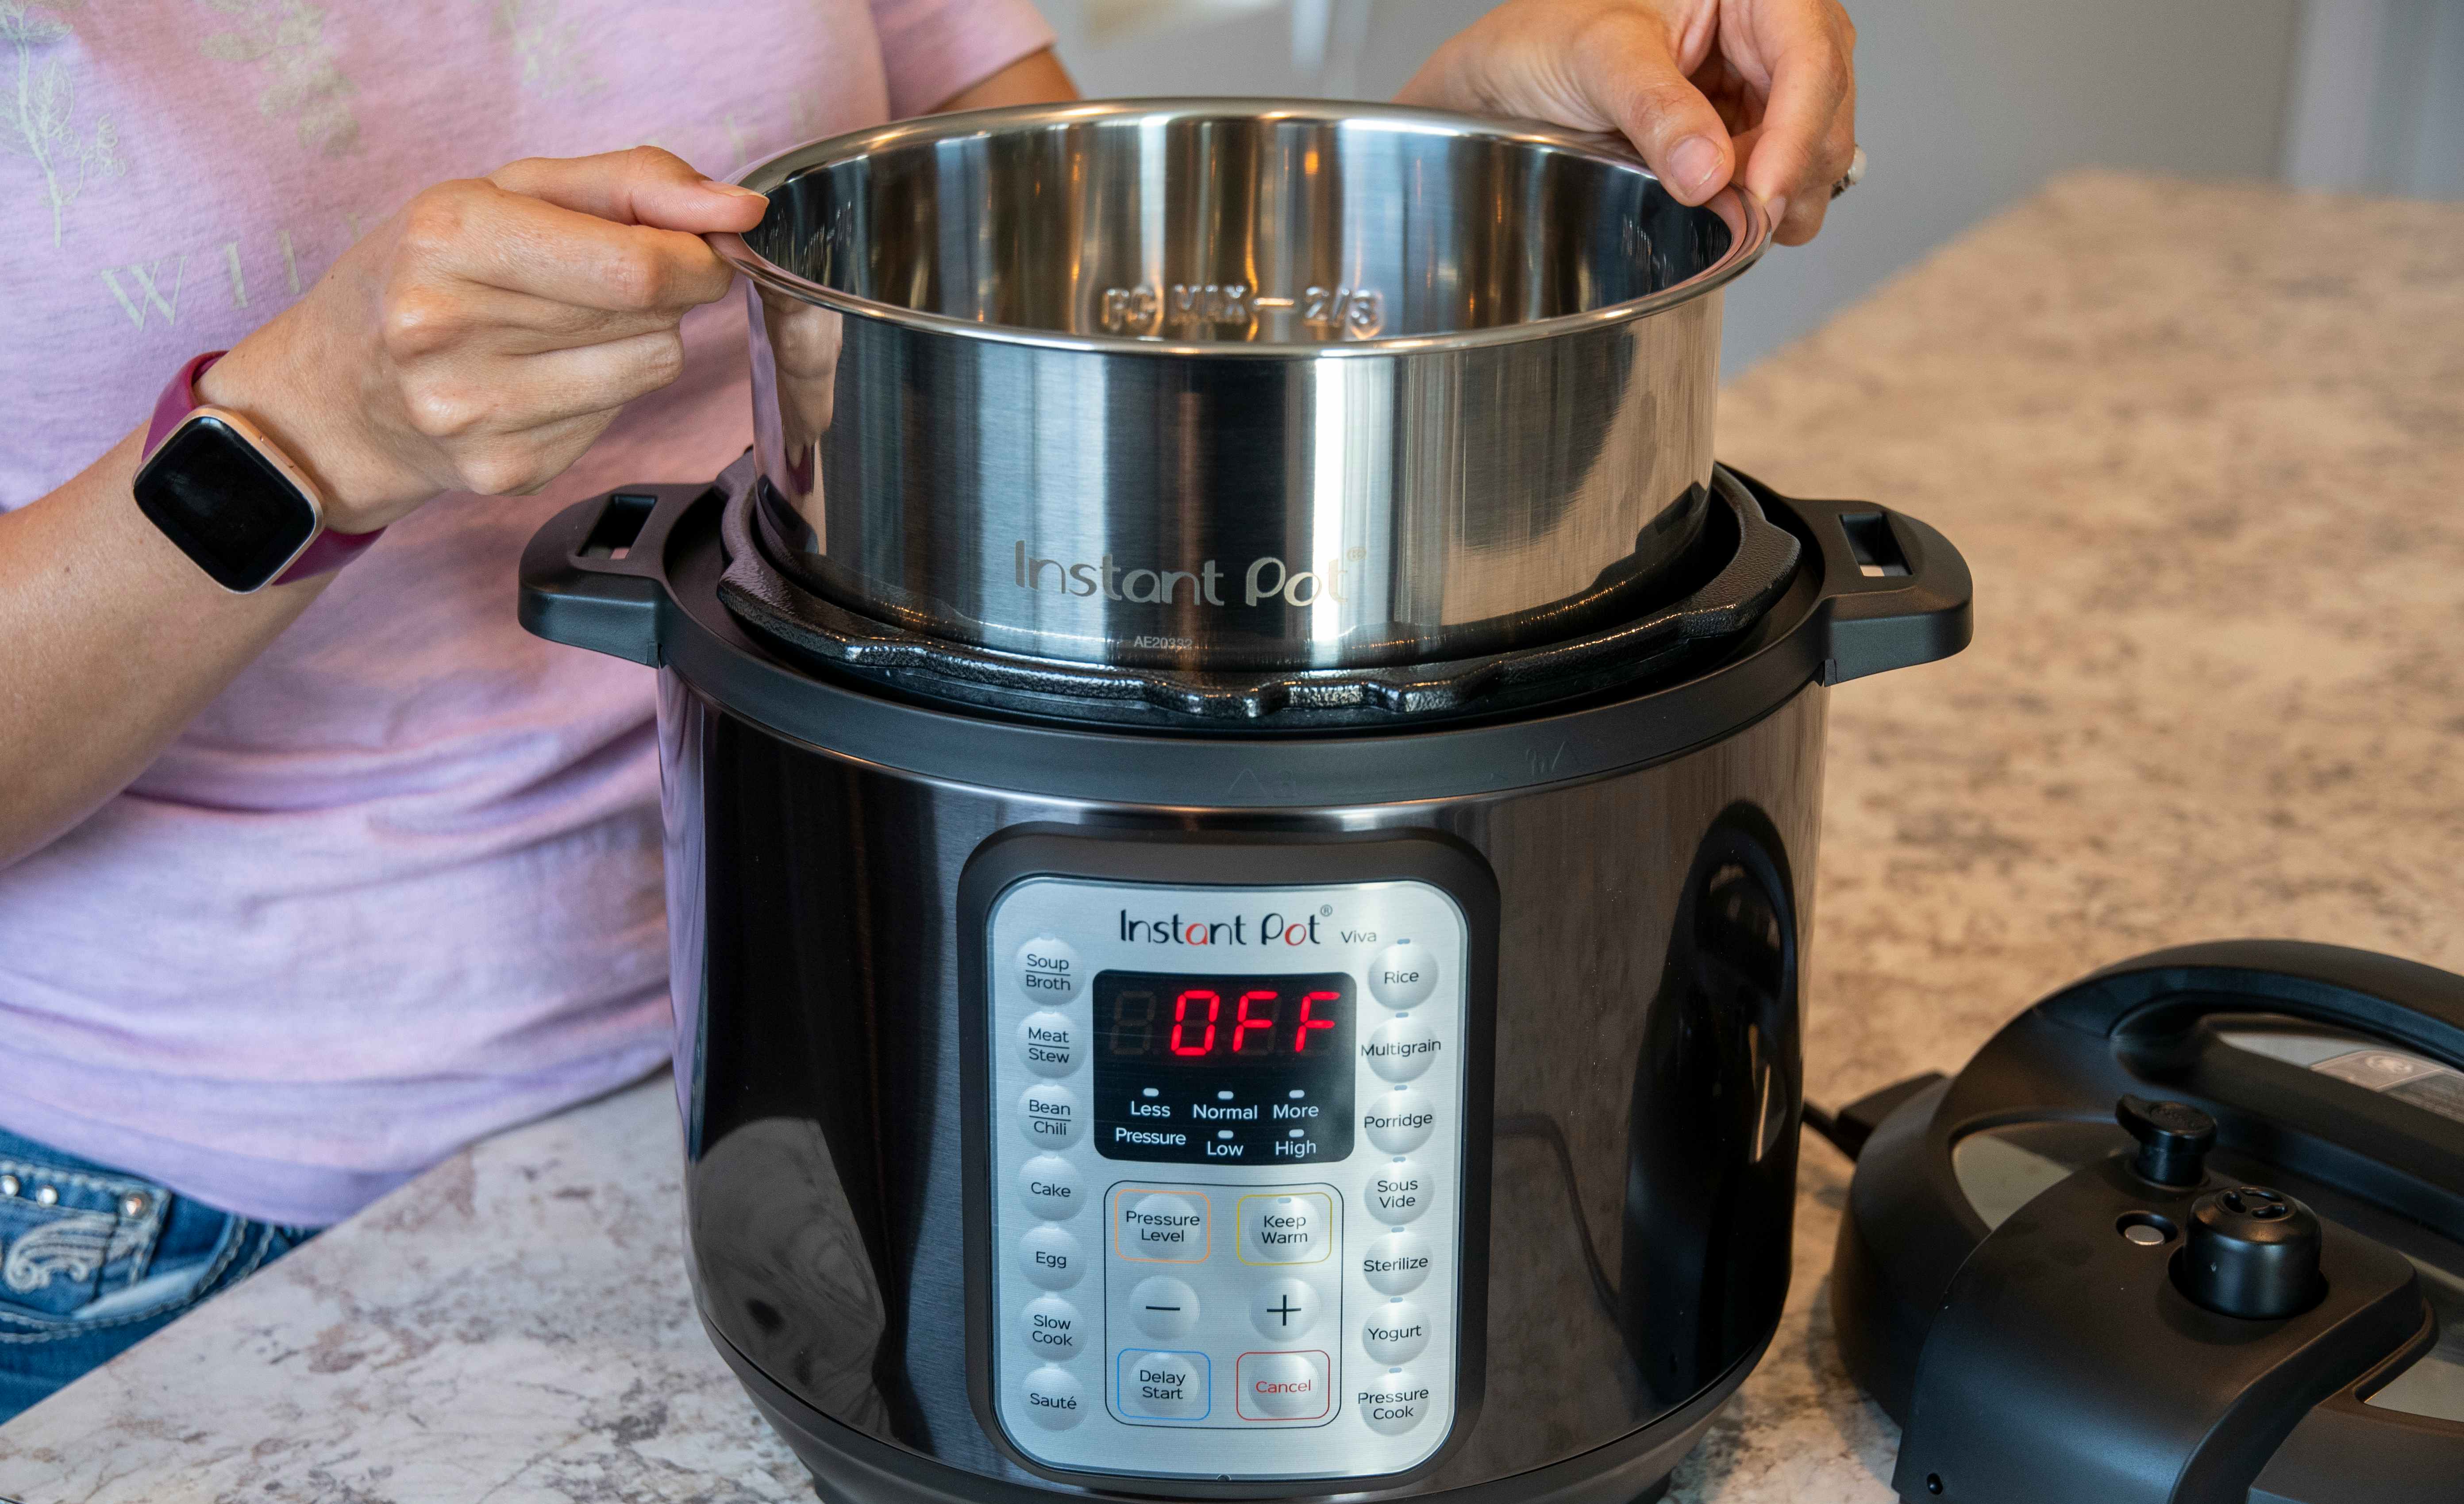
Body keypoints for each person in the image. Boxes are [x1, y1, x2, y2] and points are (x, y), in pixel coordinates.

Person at [0, 0, 1857, 1422]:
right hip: (205, 1224)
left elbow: (1078, 285)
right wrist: (285, 446)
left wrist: (1465, 185)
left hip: (866, 1070)